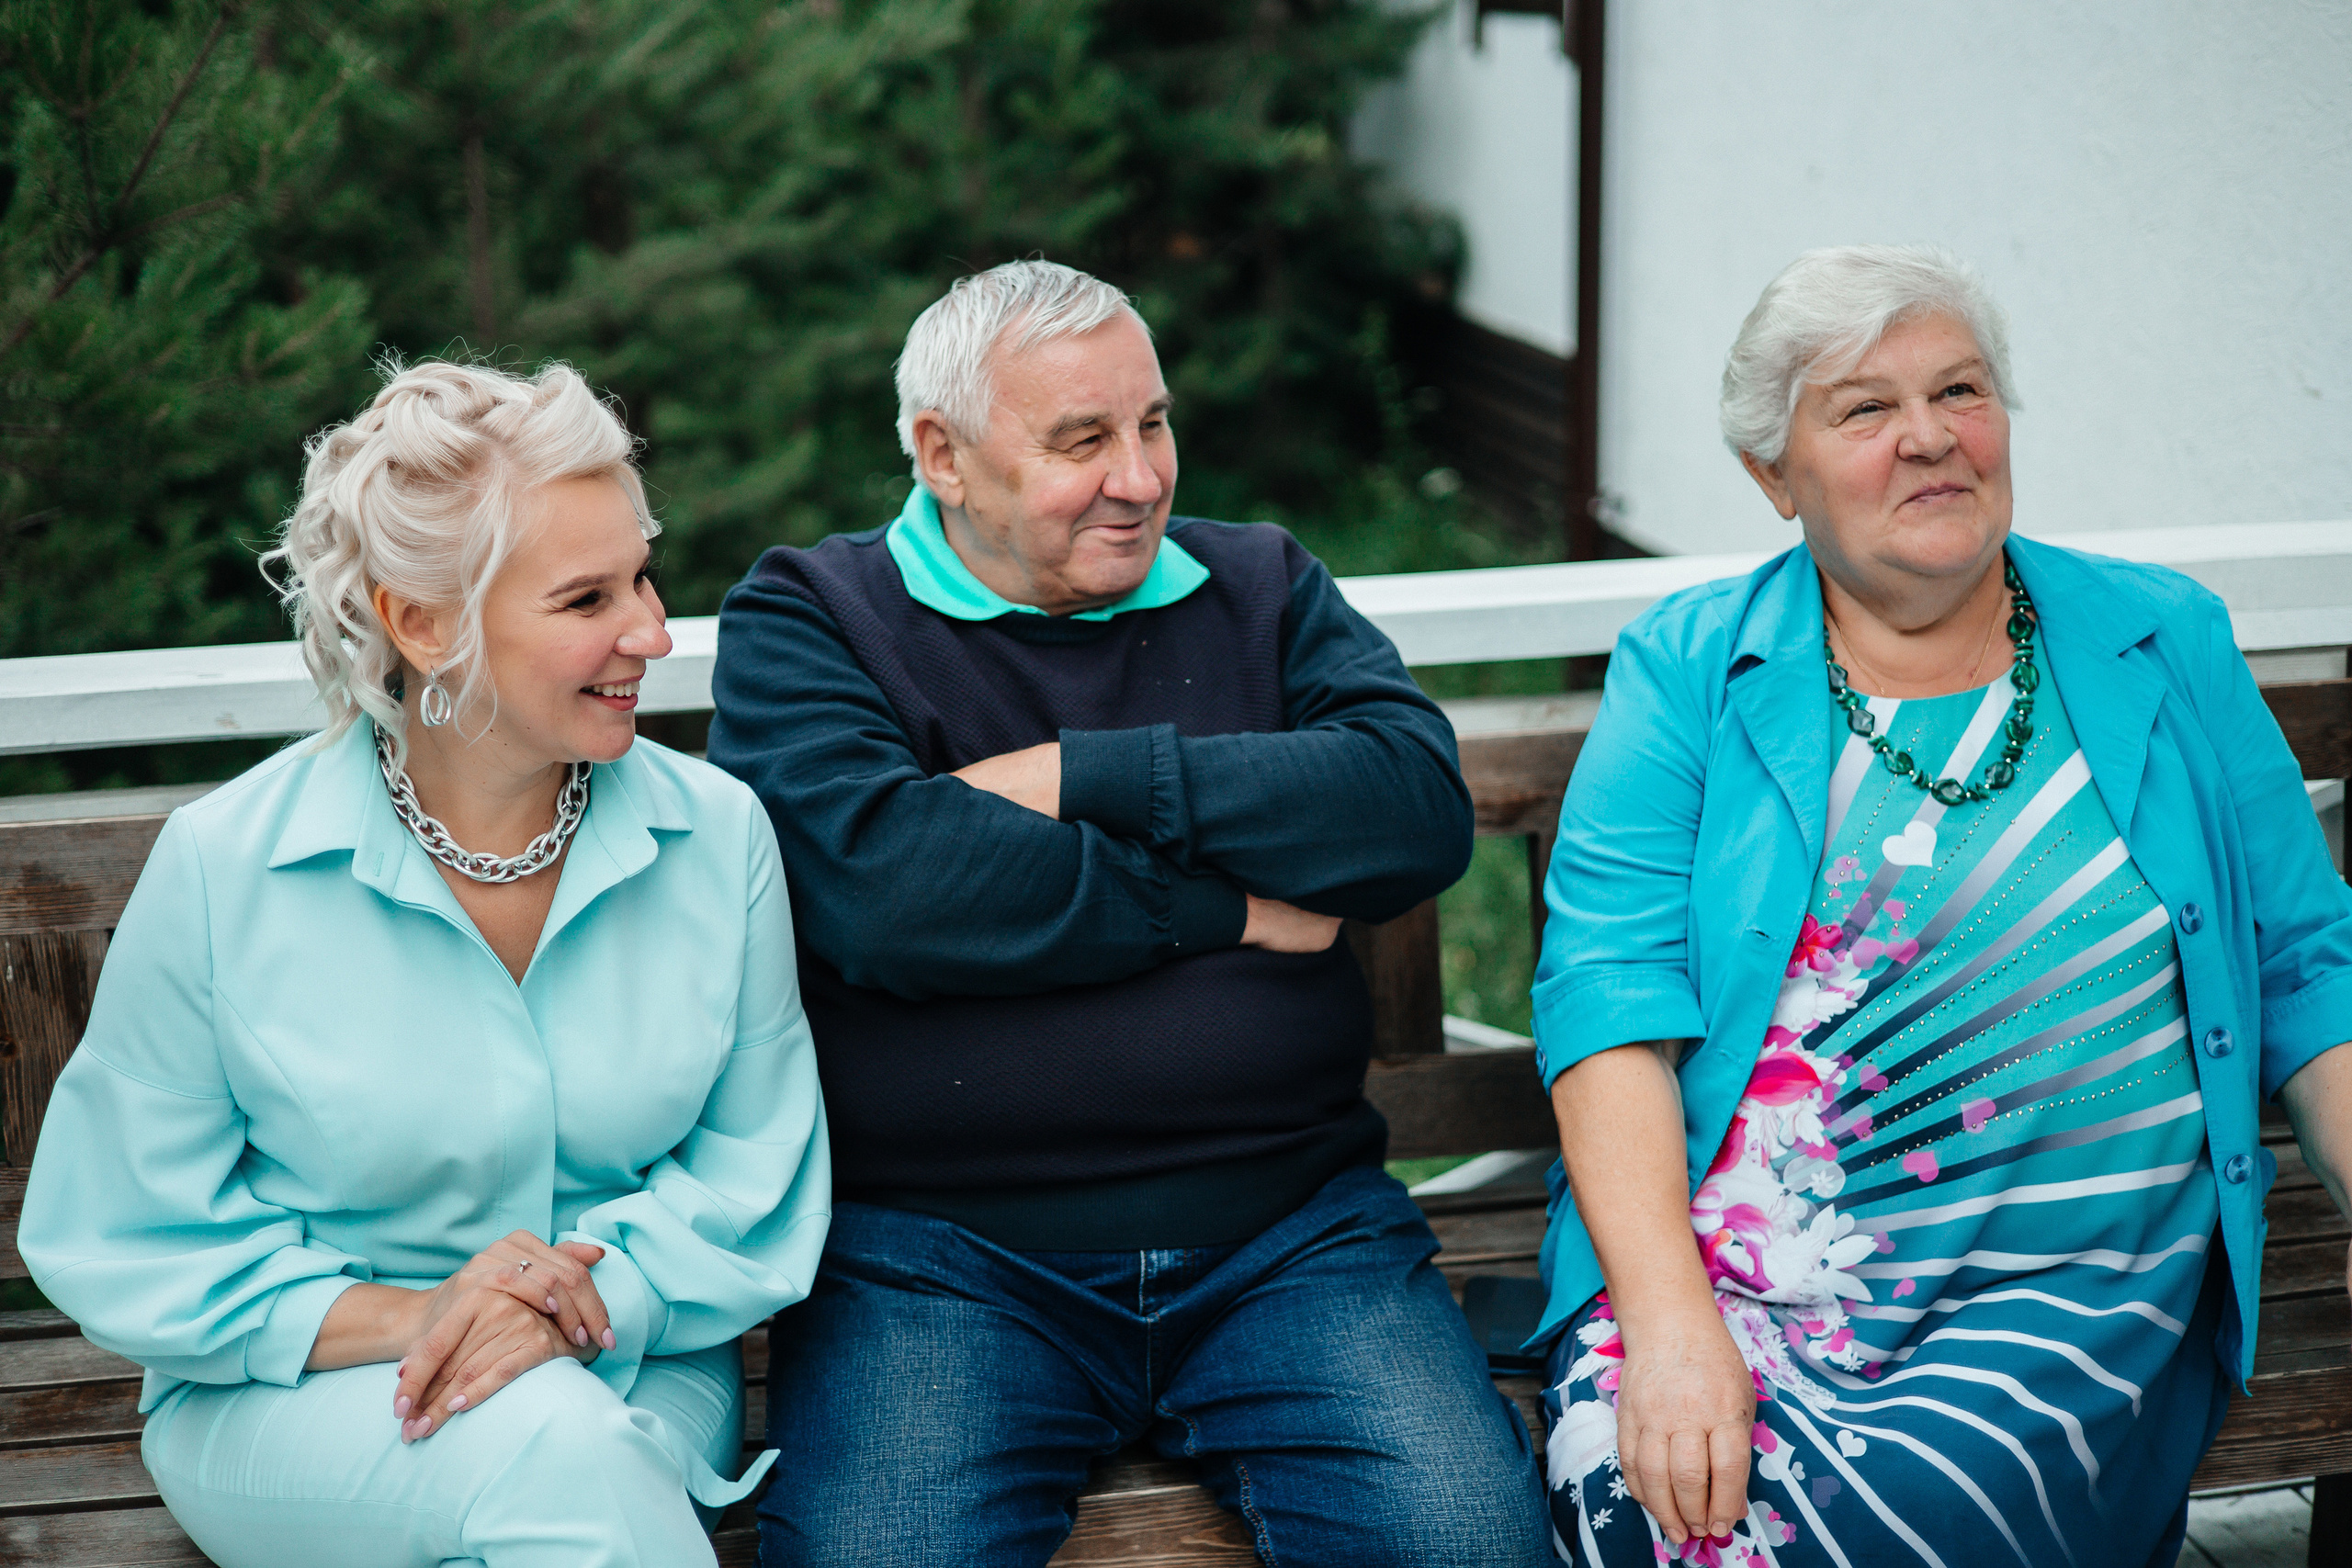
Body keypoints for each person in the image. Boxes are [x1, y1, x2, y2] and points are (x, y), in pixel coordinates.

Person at [707, 259, 1552, 1567]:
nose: (1143, 476)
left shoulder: (1260, 586)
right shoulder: (816, 618)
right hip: (944, 1263)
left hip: (1293, 1236)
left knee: (1467, 1547)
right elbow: (888, 893)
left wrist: (1084, 775)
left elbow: (1407, 808)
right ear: (943, 453)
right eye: (1082, 439)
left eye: (1153, 423)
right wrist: (1224, 910)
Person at [1530, 244, 2352, 1566]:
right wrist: (1673, 1325)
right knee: (1658, 1509)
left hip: (2074, 1289)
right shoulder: (1689, 668)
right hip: (1733, 1273)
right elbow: (1607, 1000)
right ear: (1771, 476)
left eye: (1960, 391)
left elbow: (2309, 956)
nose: (1930, 440)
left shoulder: (2161, 637)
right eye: (1863, 408)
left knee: (1907, 1525)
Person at [18, 360, 831, 1568]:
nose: (653, 631)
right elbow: (129, 1236)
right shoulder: (225, 869)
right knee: (565, 1459)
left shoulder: (719, 842)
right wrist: (429, 1315)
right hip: (290, 1401)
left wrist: (571, 1314)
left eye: (644, 576)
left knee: (570, 1464)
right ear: (425, 620)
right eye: (586, 598)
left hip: (641, 1364)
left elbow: (754, 1175)